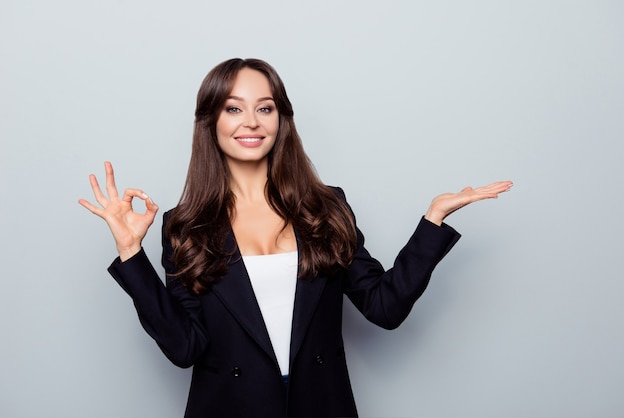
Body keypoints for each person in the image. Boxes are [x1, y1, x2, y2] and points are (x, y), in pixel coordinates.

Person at [79, 58, 512, 418]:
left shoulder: (325, 207)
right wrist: (130, 252)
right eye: (233, 108)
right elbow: (185, 347)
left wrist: (433, 220)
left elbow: (385, 307)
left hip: (321, 405)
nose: (251, 121)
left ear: (281, 119)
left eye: (265, 108)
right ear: (210, 120)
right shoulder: (185, 226)